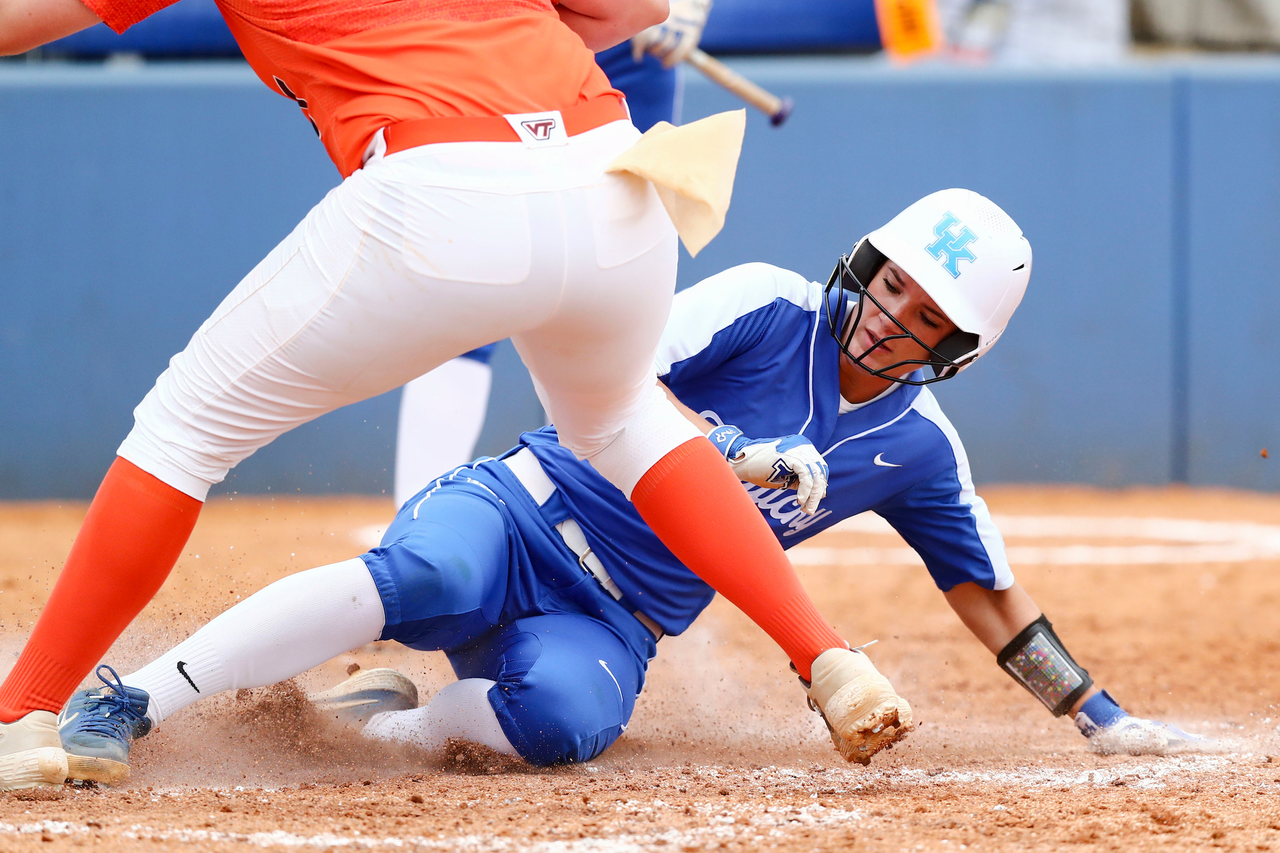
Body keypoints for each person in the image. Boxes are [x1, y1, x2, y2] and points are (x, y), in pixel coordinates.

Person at [0, 0, 873, 791]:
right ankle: (828, 658)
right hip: (616, 168)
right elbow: (633, 7)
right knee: (626, 420)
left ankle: (23, 714)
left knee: (182, 431)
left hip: (442, 179)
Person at [56, 189, 1205, 783]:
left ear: (955, 348)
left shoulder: (920, 451)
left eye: (923, 316)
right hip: (523, 509)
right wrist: (724, 452)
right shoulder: (764, 299)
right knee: (425, 570)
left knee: (566, 722)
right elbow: (602, 379)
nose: (889, 315)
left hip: (621, 612)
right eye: (890, 285)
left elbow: (989, 593)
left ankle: (376, 723)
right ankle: (128, 698)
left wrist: (1095, 715)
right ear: (865, 264)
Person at [392, 0, 713, 506]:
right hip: (516, 31)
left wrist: (689, 4)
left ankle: (584, 514)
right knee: (472, 280)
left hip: (630, 40)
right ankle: (413, 516)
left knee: (613, 290)